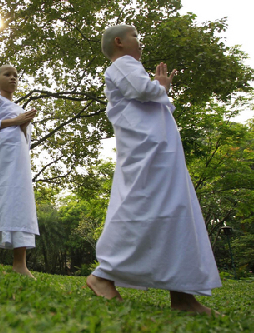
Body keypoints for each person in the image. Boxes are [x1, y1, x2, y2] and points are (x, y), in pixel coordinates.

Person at [86, 25, 221, 315]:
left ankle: (183, 297)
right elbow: (144, 90)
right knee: (141, 209)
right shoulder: (122, 65)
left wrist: (160, 90)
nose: (140, 40)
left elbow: (158, 104)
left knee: (175, 213)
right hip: (146, 155)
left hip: (162, 154)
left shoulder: (131, 68)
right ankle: (103, 276)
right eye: (135, 35)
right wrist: (159, 87)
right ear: (119, 42)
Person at [0, 65, 39, 279]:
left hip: (19, 160)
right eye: (7, 74)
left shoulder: (19, 107)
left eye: (15, 75)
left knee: (20, 202)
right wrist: (16, 121)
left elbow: (25, 139)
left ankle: (20, 263)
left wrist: (24, 125)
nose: (13, 78)